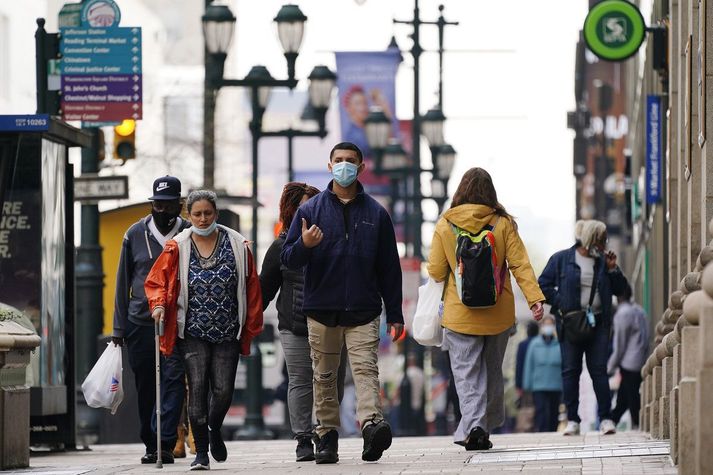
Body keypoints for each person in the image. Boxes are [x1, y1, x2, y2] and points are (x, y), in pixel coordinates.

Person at [281, 142, 404, 464]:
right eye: (339, 160)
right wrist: (305, 245)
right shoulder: (310, 211)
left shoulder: (376, 213)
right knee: (323, 376)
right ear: (329, 165)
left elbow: (389, 268)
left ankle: (372, 426)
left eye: (351, 161)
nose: (344, 166)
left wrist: (396, 313)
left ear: (361, 168)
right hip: (321, 309)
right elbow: (289, 258)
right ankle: (326, 436)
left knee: (366, 371)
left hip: (363, 310)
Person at [426, 167, 545, 450]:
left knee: (467, 375)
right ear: (491, 192)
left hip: (459, 316)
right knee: (492, 372)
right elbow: (520, 265)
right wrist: (534, 299)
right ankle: (481, 425)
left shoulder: (445, 224)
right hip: (497, 315)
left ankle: (475, 425)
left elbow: (436, 271)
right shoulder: (503, 224)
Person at [144, 190, 263, 470]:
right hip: (192, 331)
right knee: (196, 389)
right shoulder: (177, 246)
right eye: (196, 214)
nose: (202, 218)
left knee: (223, 391)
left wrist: (251, 324)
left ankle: (215, 428)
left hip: (227, 331)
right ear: (188, 215)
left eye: (207, 213)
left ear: (216, 214)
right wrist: (159, 306)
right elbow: (157, 281)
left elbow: (251, 286)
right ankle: (201, 454)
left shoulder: (237, 244)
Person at [260, 182, 348, 461]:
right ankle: (303, 438)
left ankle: (326, 433)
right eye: (303, 208)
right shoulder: (280, 247)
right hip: (294, 324)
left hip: (333, 322)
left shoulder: (334, 240)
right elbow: (263, 291)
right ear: (291, 211)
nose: (310, 213)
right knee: (300, 380)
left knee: (332, 380)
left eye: (314, 206)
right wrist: (245, 325)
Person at [111, 175, 190, 464]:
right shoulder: (134, 234)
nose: (163, 211)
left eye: (169, 205)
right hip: (140, 323)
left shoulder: (189, 233)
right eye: (158, 204)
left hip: (178, 323)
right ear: (152, 204)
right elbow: (122, 283)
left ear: (179, 205)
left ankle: (166, 441)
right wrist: (118, 328)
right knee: (146, 385)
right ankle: (150, 442)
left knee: (172, 381)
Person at [538, 219, 629, 436]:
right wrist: (562, 303)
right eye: (601, 239)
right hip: (570, 323)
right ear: (591, 239)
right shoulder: (562, 259)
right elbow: (542, 284)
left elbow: (621, 289)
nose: (604, 244)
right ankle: (573, 419)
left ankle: (606, 418)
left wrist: (613, 269)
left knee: (598, 370)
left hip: (598, 323)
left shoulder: (603, 263)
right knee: (570, 371)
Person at [608, 284, 649, 429]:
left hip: (629, 361)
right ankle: (612, 419)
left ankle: (638, 423)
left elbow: (620, 344)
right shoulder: (639, 310)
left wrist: (610, 367)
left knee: (631, 396)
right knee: (624, 395)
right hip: (641, 358)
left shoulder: (622, 314)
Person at [523, 315, 563, 432]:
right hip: (538, 385)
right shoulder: (534, 344)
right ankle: (541, 431)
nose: (548, 327)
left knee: (554, 411)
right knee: (540, 410)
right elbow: (529, 365)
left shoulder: (559, 343)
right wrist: (527, 385)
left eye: (551, 324)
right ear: (542, 326)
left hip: (555, 385)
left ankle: (552, 431)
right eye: (546, 324)